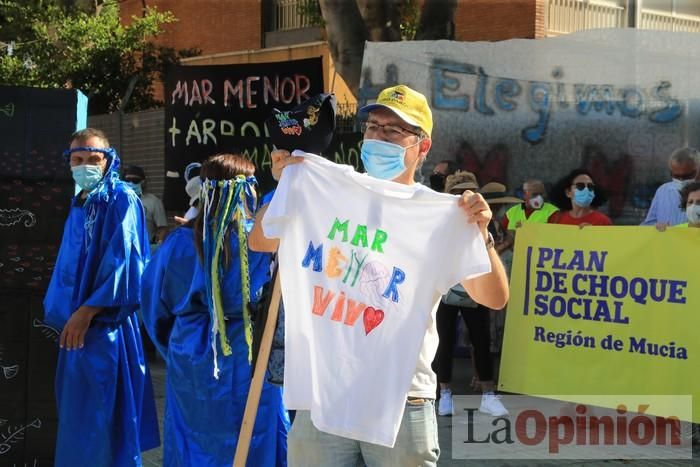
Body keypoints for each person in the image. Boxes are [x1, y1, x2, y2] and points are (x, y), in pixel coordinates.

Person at [250, 85, 509, 465]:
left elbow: (493, 298)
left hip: (402, 398)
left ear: (422, 147)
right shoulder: (327, 190)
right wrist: (283, 186)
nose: (378, 137)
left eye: (393, 131)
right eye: (372, 127)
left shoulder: (441, 216)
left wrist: (481, 234)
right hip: (325, 393)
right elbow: (260, 241)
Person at [140, 153, 289, 467]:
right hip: (249, 348)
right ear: (248, 190)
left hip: (192, 351)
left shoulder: (177, 242)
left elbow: (154, 306)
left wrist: (176, 346)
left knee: (194, 438)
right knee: (254, 434)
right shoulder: (263, 240)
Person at [43, 128, 160, 466]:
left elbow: (127, 262)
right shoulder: (81, 200)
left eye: (93, 160)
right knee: (77, 418)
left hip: (104, 327)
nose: (84, 166)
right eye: (77, 160)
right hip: (76, 328)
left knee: (101, 421)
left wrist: (88, 310)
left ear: (109, 161)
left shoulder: (120, 197)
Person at [432, 175, 512, 418]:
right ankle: (444, 393)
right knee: (443, 340)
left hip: (477, 286)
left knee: (481, 339)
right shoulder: (437, 220)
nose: (466, 196)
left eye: (471, 191)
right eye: (459, 191)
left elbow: (494, 253)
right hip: (447, 289)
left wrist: (483, 233)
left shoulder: (485, 221)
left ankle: (488, 394)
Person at [642, 147, 699, 227]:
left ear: (697, 170)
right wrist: (656, 226)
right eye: (676, 176)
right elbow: (647, 224)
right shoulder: (663, 191)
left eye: (687, 176)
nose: (681, 180)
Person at [122, 165, 168, 246]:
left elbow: (163, 228)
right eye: (128, 180)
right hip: (123, 249)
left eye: (135, 180)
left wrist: (158, 246)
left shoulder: (154, 202)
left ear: (143, 182)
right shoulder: (117, 201)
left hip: (145, 249)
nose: (131, 183)